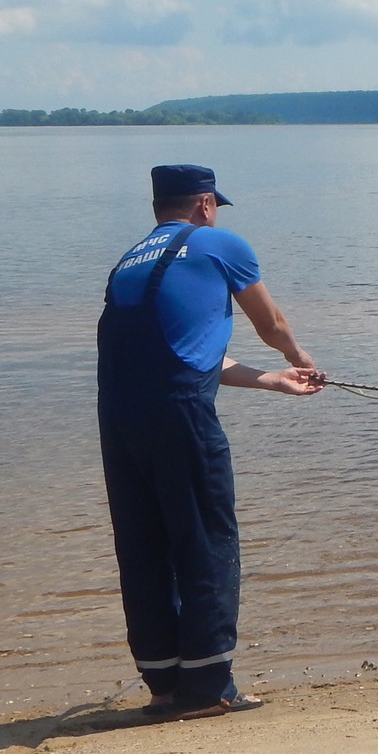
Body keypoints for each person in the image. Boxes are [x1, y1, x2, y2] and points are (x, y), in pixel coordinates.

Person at [97, 164, 324, 719]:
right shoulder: (220, 244)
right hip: (179, 420)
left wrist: (269, 380)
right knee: (205, 543)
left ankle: (164, 686)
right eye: (214, 204)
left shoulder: (130, 260)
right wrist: (298, 358)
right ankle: (209, 687)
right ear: (203, 204)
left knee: (144, 548)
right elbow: (270, 322)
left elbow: (183, 349)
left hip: (119, 422)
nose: (215, 212)